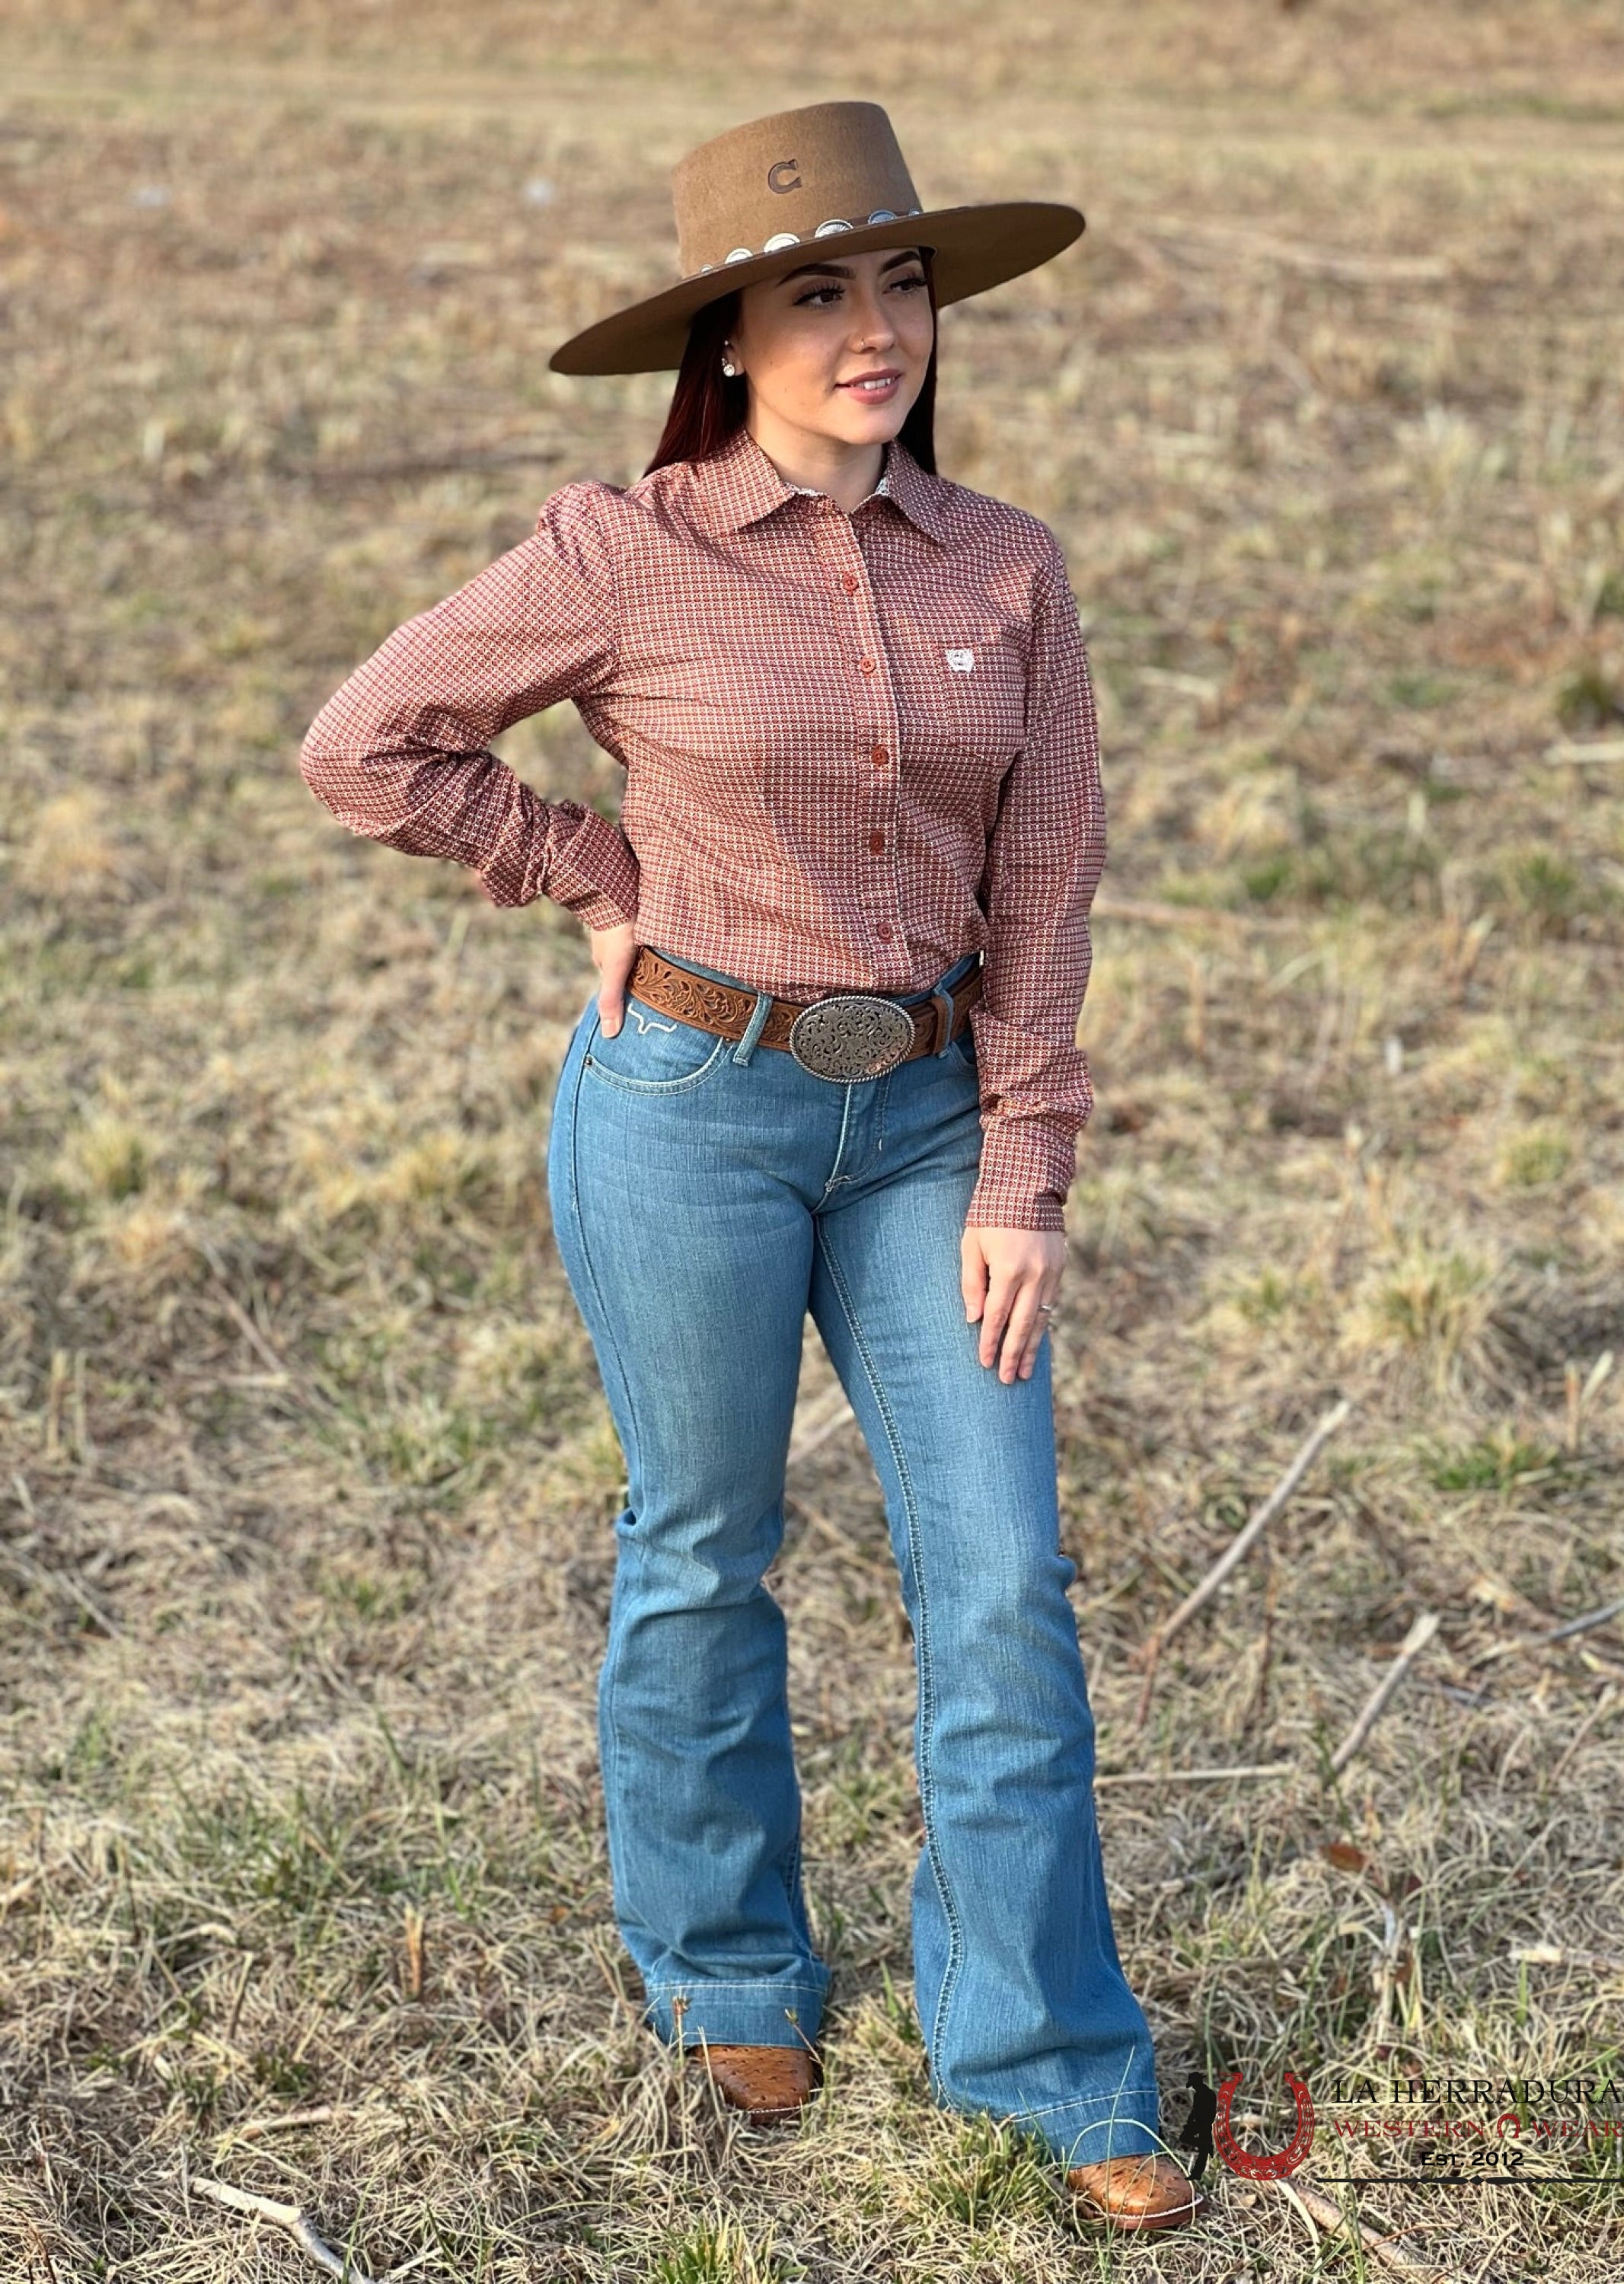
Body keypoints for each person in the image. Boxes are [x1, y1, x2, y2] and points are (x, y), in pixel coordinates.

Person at [298, 99, 1201, 2236]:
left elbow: (1047, 880)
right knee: (705, 1546)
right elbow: (366, 746)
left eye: (902, 283)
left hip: (930, 1130)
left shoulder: (1008, 567)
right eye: (817, 294)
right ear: (727, 334)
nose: (875, 330)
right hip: (689, 1111)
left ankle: (1048, 2057)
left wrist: (1025, 1168)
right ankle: (725, 1966)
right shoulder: (623, 554)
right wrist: (585, 865)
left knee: (1003, 1578)